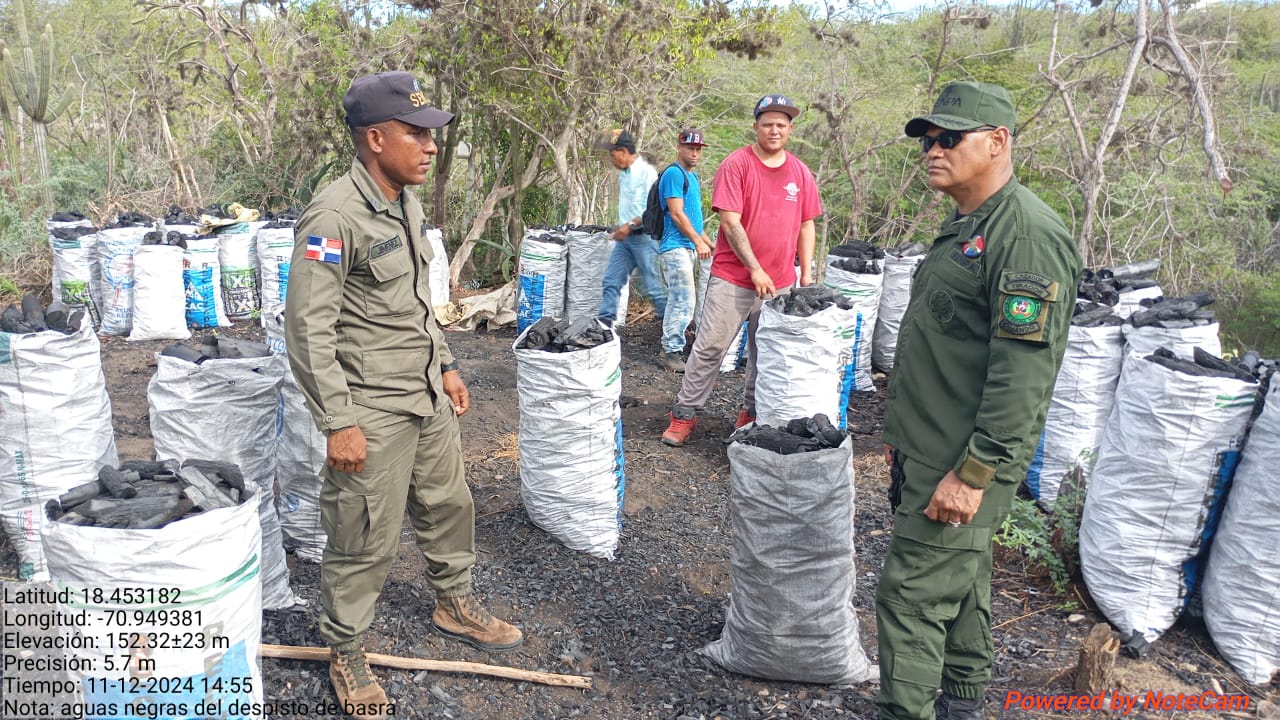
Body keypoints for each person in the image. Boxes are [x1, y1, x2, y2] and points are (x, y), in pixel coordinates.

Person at [285, 71, 522, 720]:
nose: (430, 146)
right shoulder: (334, 215)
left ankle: (453, 602)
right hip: (370, 410)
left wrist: (445, 363)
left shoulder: (405, 202)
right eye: (416, 134)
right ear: (374, 138)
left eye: (431, 134)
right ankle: (347, 649)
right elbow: (308, 329)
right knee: (364, 537)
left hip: (424, 396)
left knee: (449, 505)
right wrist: (338, 422)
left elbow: (415, 302)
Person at [875, 81, 1082, 720]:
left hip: (962, 461)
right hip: (932, 449)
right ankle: (962, 704)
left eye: (948, 138)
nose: (932, 150)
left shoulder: (1023, 236)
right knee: (961, 584)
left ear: (997, 142)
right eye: (928, 140)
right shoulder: (972, 223)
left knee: (909, 599)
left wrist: (973, 474)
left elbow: (1023, 376)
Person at [660, 94, 821, 446]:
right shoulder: (737, 165)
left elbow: (806, 224)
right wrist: (755, 269)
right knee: (710, 348)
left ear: (790, 129)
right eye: (768, 124)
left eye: (781, 124)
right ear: (756, 127)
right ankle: (684, 415)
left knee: (765, 353)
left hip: (780, 283)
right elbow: (731, 224)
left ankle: (751, 413)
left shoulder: (800, 173)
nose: (774, 130)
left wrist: (805, 274)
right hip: (733, 278)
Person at [655, 128, 714, 372]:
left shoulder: (692, 177)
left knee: (685, 299)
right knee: (683, 299)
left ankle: (675, 347)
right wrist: (698, 242)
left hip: (688, 245)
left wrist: (707, 242)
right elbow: (677, 214)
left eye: (698, 149)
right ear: (679, 147)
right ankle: (670, 351)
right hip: (674, 246)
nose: (695, 153)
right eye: (690, 148)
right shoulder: (674, 174)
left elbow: (692, 218)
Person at [596, 129, 667, 327]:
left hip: (644, 238)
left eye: (613, 154)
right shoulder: (625, 174)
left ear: (624, 151)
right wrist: (620, 227)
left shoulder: (647, 173)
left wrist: (630, 224)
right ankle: (604, 328)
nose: (612, 159)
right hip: (625, 240)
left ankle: (671, 329)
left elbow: (652, 209)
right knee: (611, 281)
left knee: (653, 288)